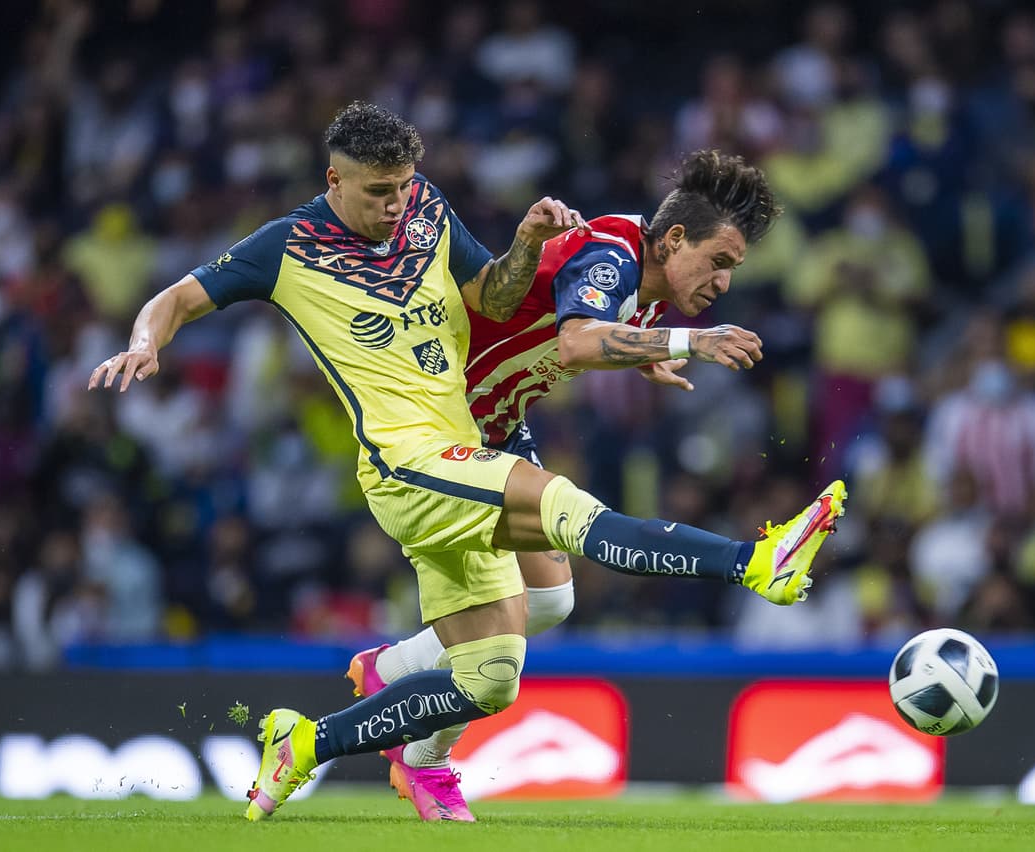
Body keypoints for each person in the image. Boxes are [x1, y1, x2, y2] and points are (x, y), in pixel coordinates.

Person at [88, 102, 846, 823]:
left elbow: (492, 294)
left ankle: (312, 738)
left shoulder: (427, 207)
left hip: (476, 435)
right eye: (378, 192)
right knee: (568, 510)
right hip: (411, 455)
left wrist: (529, 248)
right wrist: (145, 342)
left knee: (499, 668)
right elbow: (179, 297)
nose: (395, 204)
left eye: (402, 187)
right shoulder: (289, 246)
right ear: (333, 182)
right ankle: (752, 560)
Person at [344, 149, 798, 819]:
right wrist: (688, 343)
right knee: (525, 608)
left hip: (493, 424)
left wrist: (642, 355)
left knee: (551, 602)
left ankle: (397, 669)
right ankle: (421, 754)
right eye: (720, 262)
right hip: (439, 430)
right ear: (674, 239)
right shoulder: (613, 252)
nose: (724, 283)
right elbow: (576, 344)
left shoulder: (643, 275)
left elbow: (584, 320)